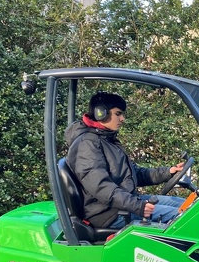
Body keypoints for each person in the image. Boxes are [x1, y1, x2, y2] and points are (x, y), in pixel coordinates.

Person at [64, 91, 186, 228]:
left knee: (187, 206)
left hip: (123, 204)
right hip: (108, 214)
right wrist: (137, 206)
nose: (122, 119)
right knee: (184, 218)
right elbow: (101, 187)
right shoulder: (87, 144)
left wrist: (168, 172)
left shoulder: (107, 140)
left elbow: (134, 174)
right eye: (118, 114)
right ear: (101, 113)